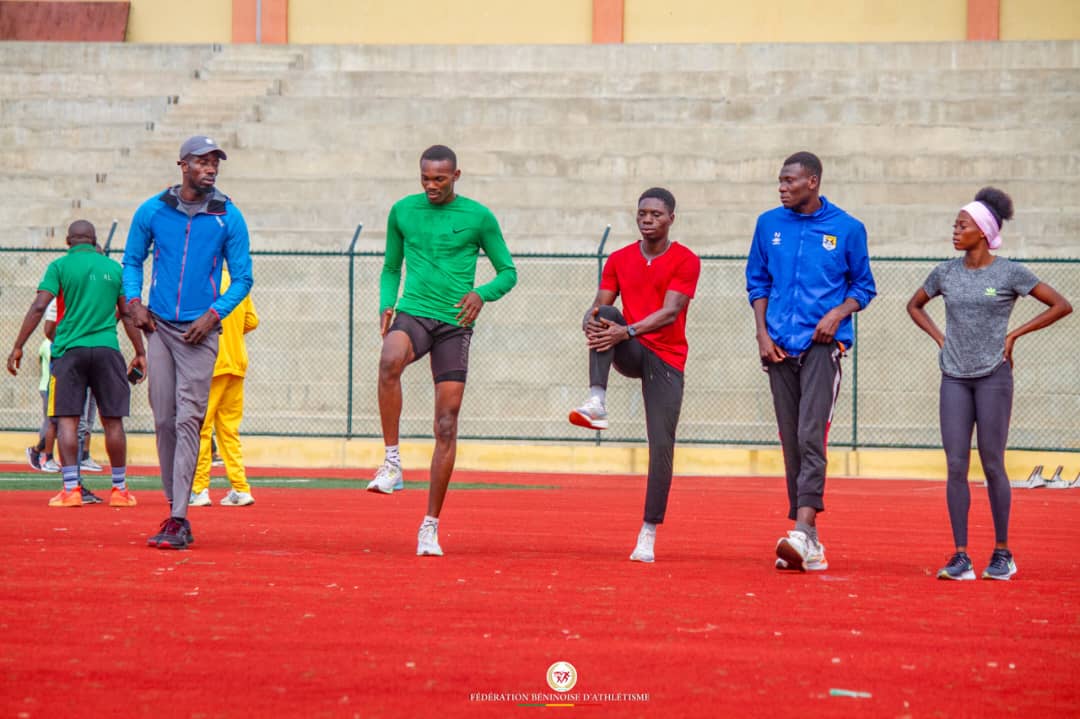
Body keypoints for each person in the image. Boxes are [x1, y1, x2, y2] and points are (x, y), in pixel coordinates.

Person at [906, 187, 1071, 581]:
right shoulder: (945, 272)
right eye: (955, 224)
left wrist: (1014, 335)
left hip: (994, 376)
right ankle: (961, 555)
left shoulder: (1010, 273)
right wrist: (940, 338)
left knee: (993, 463)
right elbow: (914, 305)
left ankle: (1002, 552)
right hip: (954, 378)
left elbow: (1061, 304)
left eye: (962, 224)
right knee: (956, 465)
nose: (955, 230)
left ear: (982, 231)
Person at [369, 144, 517, 557]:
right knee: (388, 361)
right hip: (414, 311)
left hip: (455, 324)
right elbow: (390, 268)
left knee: (446, 424)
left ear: (456, 175)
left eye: (439, 179)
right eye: (425, 179)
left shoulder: (478, 217)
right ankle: (392, 462)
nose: (431, 186)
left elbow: (508, 272)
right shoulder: (403, 211)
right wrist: (387, 302)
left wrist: (481, 294)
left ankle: (429, 526)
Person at [745, 151, 877, 572]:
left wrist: (836, 315)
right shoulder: (769, 225)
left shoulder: (848, 229)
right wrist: (762, 335)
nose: (782, 187)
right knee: (791, 440)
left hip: (824, 348)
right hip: (779, 348)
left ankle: (802, 529)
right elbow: (757, 281)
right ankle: (810, 543)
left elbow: (864, 287)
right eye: (780, 181)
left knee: (810, 435)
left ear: (813, 181)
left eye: (789, 181)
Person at [122, 135, 253, 549]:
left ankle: (179, 517)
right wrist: (133, 302)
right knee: (163, 419)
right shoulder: (153, 210)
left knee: (188, 420)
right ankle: (173, 505)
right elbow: (131, 260)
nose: (210, 168)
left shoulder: (228, 216)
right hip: (159, 328)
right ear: (182, 165)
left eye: (215, 162)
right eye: (202, 161)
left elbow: (244, 278)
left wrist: (214, 315)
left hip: (201, 332)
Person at [568, 187, 701, 563]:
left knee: (661, 445)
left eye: (656, 214)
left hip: (666, 357)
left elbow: (671, 312)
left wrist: (624, 331)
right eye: (642, 213)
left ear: (671, 218)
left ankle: (648, 532)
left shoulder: (686, 260)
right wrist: (590, 319)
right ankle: (597, 399)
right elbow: (601, 304)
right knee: (604, 316)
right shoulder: (620, 258)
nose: (647, 219)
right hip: (629, 349)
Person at [7, 220, 146, 508]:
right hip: (107, 349)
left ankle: (71, 489)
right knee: (113, 421)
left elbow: (38, 307)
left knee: (68, 419)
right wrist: (139, 351)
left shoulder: (59, 266)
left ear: (69, 241)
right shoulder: (114, 269)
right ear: (94, 240)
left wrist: (18, 346)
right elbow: (128, 313)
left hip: (69, 350)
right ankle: (119, 490)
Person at [190, 271, 259, 507]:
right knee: (229, 430)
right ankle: (240, 488)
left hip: (211, 363)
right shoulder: (238, 282)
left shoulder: (202, 279)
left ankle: (199, 489)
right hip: (237, 362)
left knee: (201, 427)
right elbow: (251, 321)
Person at [25, 330, 59, 473]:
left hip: (54, 387)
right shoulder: (48, 344)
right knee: (51, 422)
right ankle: (39, 452)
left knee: (56, 423)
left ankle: (44, 454)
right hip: (48, 387)